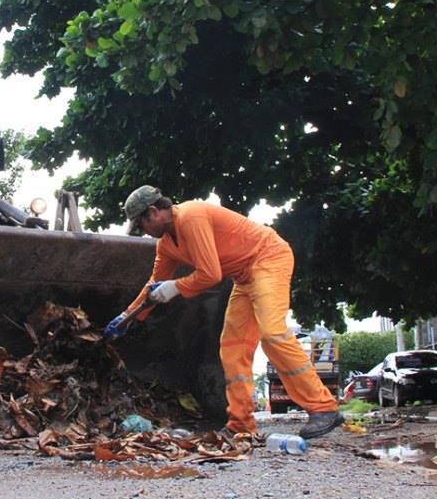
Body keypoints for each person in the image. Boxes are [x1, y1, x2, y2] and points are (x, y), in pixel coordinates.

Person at [104, 185, 343, 440]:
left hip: (267, 257)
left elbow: (210, 275)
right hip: (243, 276)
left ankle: (323, 408)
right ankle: (241, 422)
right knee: (232, 347)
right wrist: (128, 317)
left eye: (141, 224)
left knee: (273, 334)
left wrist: (176, 287)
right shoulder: (166, 245)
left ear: (153, 212)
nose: (143, 231)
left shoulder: (190, 216)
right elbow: (155, 283)